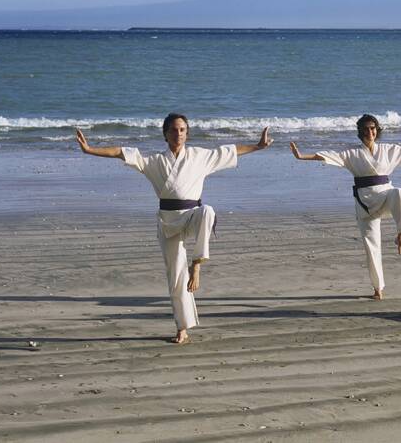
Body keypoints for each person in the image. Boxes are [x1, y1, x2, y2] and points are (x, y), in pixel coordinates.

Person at [76, 114, 272, 343]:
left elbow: (230, 151)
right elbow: (122, 152)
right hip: (168, 223)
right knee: (176, 277)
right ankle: (182, 328)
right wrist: (89, 150)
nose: (178, 134)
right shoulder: (154, 161)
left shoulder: (201, 156)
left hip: (192, 217)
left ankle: (197, 264)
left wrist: (258, 146)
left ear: (187, 133)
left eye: (182, 130)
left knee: (208, 210)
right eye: (173, 130)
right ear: (165, 134)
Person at [290, 114, 401, 300]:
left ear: (377, 130)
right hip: (365, 203)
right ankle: (378, 289)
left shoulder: (388, 150)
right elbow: (327, 156)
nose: (370, 132)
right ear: (360, 132)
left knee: (399, 192)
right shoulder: (352, 153)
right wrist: (301, 156)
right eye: (366, 129)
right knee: (371, 246)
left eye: (373, 128)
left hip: (385, 196)